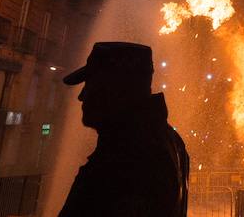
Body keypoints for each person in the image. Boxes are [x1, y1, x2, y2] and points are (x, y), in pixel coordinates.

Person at [59, 42, 189, 217]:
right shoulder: (170, 141)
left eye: (90, 84)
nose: (82, 96)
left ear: (114, 88)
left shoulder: (123, 159)